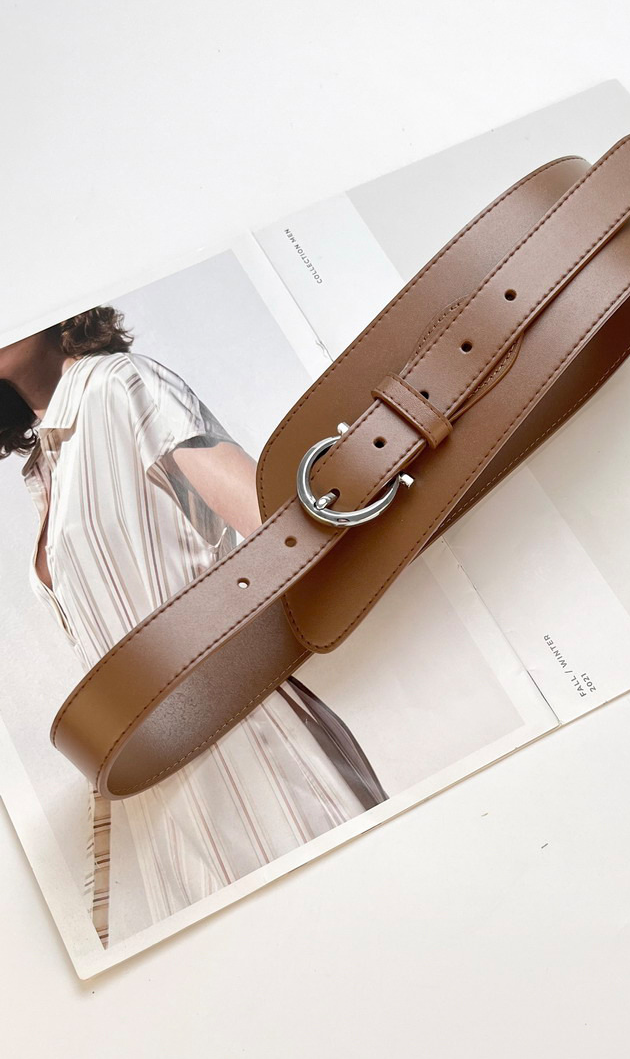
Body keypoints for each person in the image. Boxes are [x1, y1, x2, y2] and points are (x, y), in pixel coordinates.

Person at [0, 307, 387, 946]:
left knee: (351, 939)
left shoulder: (121, 384)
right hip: (156, 795)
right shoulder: (42, 466)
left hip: (241, 747)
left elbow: (275, 531)